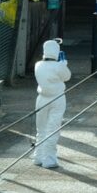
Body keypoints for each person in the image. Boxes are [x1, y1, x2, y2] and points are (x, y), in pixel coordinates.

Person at [34, 38, 71, 169]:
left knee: (41, 128)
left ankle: (38, 157)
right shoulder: (59, 66)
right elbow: (67, 76)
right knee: (53, 129)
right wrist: (64, 64)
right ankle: (49, 160)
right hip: (57, 99)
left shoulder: (38, 65)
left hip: (41, 99)